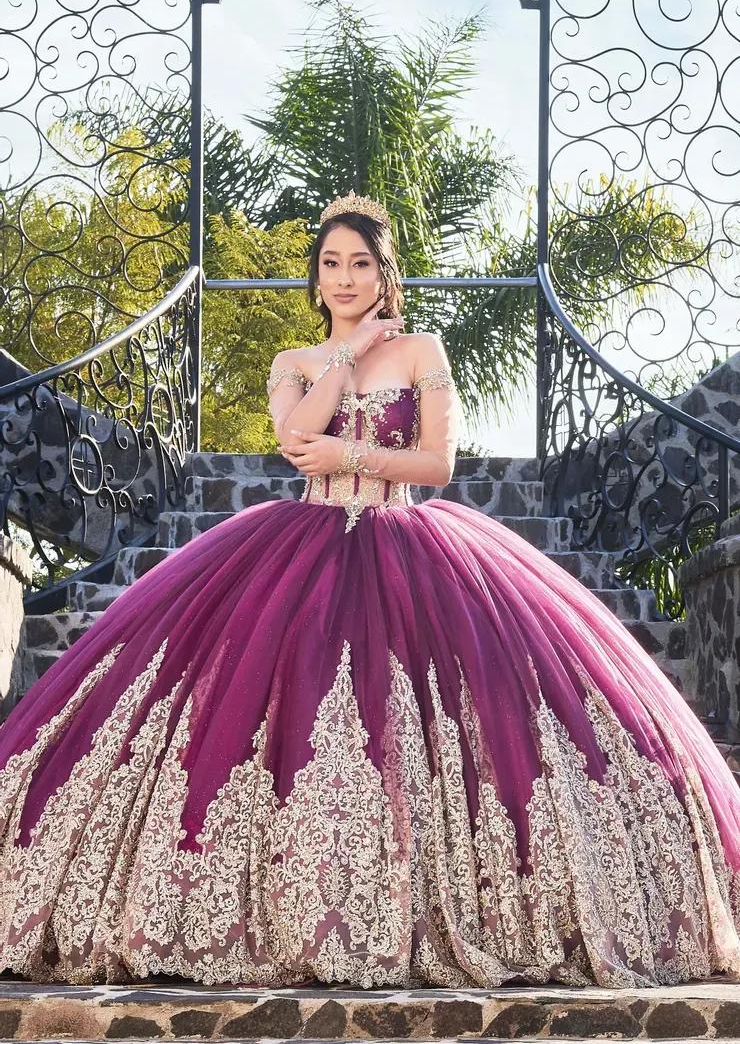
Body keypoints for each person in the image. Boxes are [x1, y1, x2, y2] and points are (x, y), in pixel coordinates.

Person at [0, 191, 738, 992]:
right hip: (301, 541)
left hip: (408, 538)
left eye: (360, 264)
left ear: (386, 275)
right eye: (330, 264)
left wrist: (349, 452)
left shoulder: (423, 350)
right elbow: (293, 445)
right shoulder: (295, 361)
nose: (344, 278)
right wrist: (347, 359)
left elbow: (436, 468)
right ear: (315, 279)